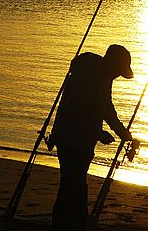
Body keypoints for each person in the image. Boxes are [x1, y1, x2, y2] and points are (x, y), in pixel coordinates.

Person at [48, 45, 134, 230]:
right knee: (74, 187)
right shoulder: (86, 76)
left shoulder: (104, 77)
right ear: (112, 63)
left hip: (82, 143)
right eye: (119, 71)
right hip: (70, 141)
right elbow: (72, 113)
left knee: (73, 186)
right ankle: (69, 225)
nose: (118, 76)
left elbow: (106, 108)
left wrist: (124, 134)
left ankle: (66, 225)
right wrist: (97, 133)